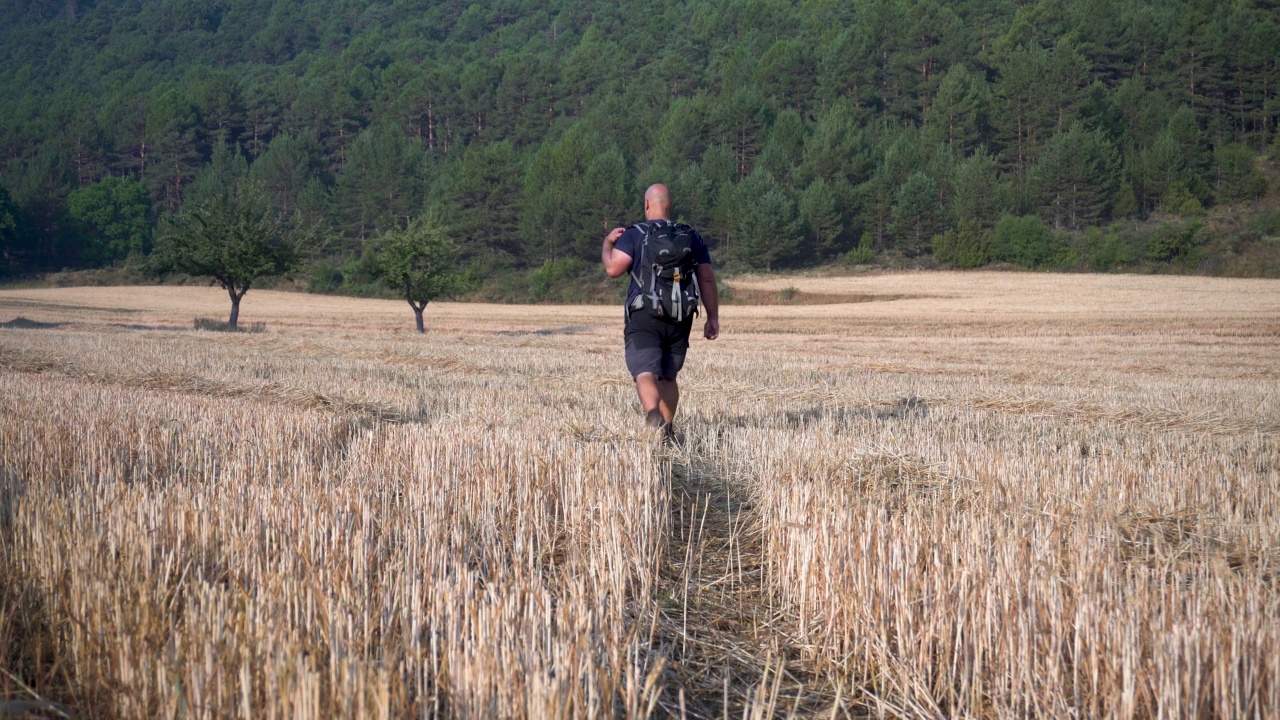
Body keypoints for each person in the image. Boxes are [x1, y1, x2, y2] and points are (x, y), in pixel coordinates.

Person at [601, 184, 719, 434]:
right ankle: (668, 429)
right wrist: (712, 317)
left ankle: (654, 414)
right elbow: (707, 279)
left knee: (645, 372)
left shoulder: (634, 234)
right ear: (670, 205)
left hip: (645, 314)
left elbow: (613, 269)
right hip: (680, 316)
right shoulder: (691, 236)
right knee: (668, 376)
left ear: (646, 204)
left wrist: (607, 244)